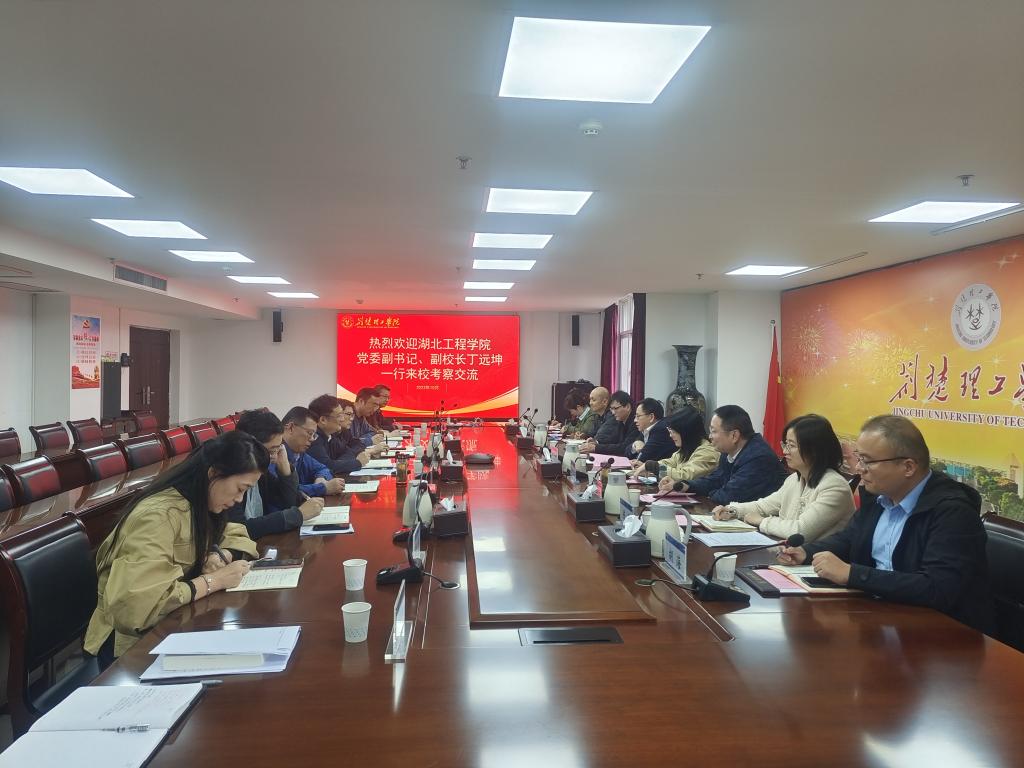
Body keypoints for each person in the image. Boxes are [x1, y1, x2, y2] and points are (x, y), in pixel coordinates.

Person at [779, 414, 994, 632]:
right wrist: (805, 552)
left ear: (908, 467)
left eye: (867, 461)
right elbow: (850, 538)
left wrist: (852, 574)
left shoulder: (952, 512)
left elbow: (937, 588)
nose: (859, 468)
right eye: (858, 458)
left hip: (941, 634)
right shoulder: (880, 497)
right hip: (880, 618)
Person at [84, 431, 264, 666]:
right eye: (240, 488)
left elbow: (239, 535)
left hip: (174, 627)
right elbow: (137, 609)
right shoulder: (158, 517)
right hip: (132, 648)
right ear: (213, 473)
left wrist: (220, 554)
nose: (240, 499)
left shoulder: (200, 504)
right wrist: (214, 581)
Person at [712, 414, 854, 542]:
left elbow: (800, 531)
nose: (785, 451)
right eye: (785, 444)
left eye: (791, 446)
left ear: (814, 450)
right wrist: (732, 510)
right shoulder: (794, 480)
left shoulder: (834, 487)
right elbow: (764, 506)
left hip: (818, 560)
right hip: (790, 553)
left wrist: (761, 521)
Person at [229, 409, 325, 538]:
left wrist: (285, 468)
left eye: (278, 448)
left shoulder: (261, 471)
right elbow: (238, 529)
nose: (274, 457)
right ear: (249, 446)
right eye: (271, 451)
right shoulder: (230, 475)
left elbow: (286, 502)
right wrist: (298, 515)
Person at [681, 404, 787, 503]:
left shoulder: (758, 458)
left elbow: (730, 496)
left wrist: (709, 495)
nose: (710, 436)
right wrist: (688, 486)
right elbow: (717, 479)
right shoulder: (728, 451)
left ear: (734, 436)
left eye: (714, 431)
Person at [280, 406, 346, 496]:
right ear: (291, 428)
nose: (312, 439)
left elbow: (323, 468)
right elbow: (283, 490)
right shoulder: (275, 455)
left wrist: (321, 478)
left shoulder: (300, 454)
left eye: (314, 435)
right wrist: (323, 488)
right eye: (310, 433)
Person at [647, 406, 719, 485]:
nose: (670, 435)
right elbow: (670, 462)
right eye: (670, 430)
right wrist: (650, 466)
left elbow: (686, 476)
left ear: (686, 431)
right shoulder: (687, 448)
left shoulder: (707, 452)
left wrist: (656, 468)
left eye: (673, 431)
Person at [307, 394, 371, 475]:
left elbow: (347, 451)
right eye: (339, 416)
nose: (342, 419)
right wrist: (358, 463)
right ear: (323, 420)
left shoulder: (331, 435)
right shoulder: (313, 438)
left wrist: (340, 462)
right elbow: (328, 467)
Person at [584, 390, 640, 455]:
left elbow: (625, 447)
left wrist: (596, 448)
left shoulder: (635, 423)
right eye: (611, 409)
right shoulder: (621, 421)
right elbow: (613, 441)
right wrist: (596, 443)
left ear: (627, 407)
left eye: (615, 408)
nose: (613, 412)